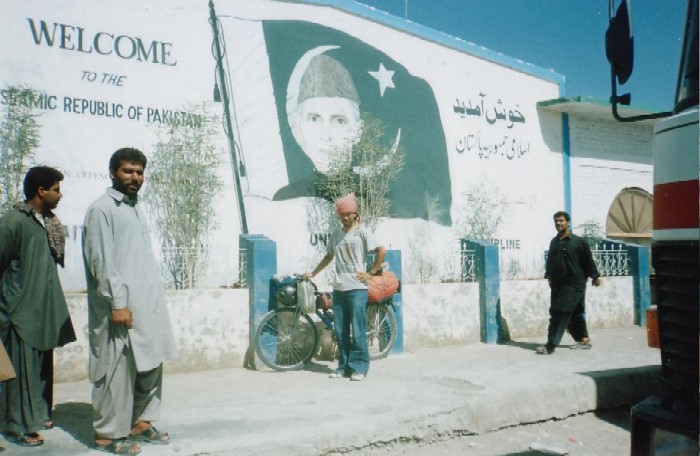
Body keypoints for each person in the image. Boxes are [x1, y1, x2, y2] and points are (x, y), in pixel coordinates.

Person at [82, 148, 177, 455]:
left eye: (139, 172)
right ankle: (108, 435)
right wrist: (117, 303)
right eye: (128, 171)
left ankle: (142, 423)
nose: (135, 178)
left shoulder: (135, 208)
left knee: (151, 365)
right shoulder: (102, 210)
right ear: (112, 173)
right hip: (119, 309)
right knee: (115, 370)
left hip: (147, 306)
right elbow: (102, 261)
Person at [0, 166, 76, 447]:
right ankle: (16, 425)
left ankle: (39, 415)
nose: (60, 195)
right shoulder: (13, 222)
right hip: (19, 312)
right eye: (56, 189)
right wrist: (9, 304)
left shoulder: (47, 223)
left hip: (43, 310)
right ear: (41, 191)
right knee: (19, 373)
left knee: (40, 369)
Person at [304, 192, 386, 381]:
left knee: (357, 330)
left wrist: (371, 272)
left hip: (357, 289)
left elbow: (382, 250)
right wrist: (314, 273)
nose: (344, 217)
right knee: (340, 331)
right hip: (339, 289)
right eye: (341, 214)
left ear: (355, 214)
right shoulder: (336, 234)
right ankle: (343, 367)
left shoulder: (363, 232)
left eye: (347, 214)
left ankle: (359, 368)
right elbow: (329, 256)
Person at [275, 53, 364, 200]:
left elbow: (354, 223)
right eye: (314, 119)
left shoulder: (375, 197)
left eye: (339, 121)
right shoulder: (288, 199)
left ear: (357, 131)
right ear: (299, 126)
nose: (325, 135)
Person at [537, 211, 601, 355]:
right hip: (558, 284)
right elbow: (551, 262)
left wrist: (595, 276)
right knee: (575, 312)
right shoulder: (554, 242)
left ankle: (550, 345)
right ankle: (583, 340)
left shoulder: (578, 242)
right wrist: (549, 276)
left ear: (568, 222)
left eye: (561, 221)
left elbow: (588, 261)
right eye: (556, 221)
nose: (558, 223)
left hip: (574, 284)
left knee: (560, 312)